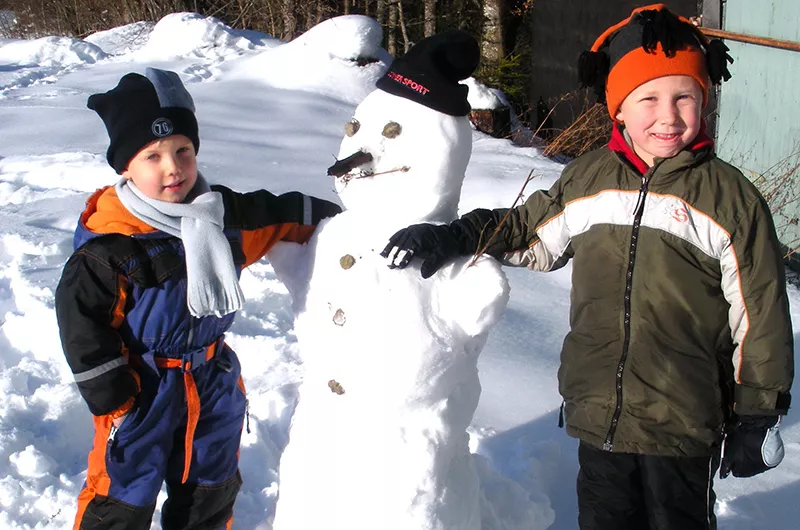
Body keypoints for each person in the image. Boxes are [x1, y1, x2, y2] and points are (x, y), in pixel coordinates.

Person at [381, 4, 794, 529]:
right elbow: (532, 231)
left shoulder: (728, 197)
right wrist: (458, 234)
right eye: (647, 99)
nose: (667, 116)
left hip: (683, 418)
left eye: (683, 97)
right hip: (598, 410)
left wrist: (757, 412)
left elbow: (760, 313)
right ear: (617, 108)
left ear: (704, 100)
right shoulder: (592, 177)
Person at [55, 67, 340, 530]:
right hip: (142, 388)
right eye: (153, 156)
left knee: (211, 485)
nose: (174, 167)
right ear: (126, 167)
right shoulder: (110, 245)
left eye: (183, 150)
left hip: (211, 379)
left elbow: (279, 214)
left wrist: (345, 222)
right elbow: (81, 319)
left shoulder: (220, 216)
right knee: (122, 494)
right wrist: (113, 393)